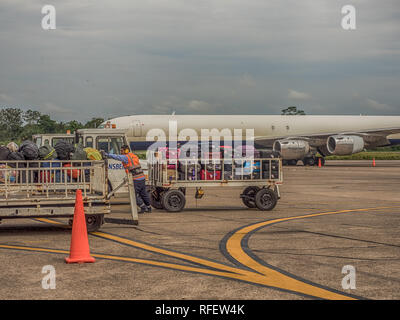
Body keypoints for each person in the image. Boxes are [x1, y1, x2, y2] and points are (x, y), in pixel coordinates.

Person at [104, 145, 151, 213]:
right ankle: (149, 207)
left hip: (136, 179)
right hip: (142, 178)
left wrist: (107, 154)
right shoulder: (133, 156)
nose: (121, 152)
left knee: (133, 195)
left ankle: (143, 207)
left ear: (126, 150)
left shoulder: (126, 157)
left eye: (122, 150)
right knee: (143, 194)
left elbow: (117, 157)